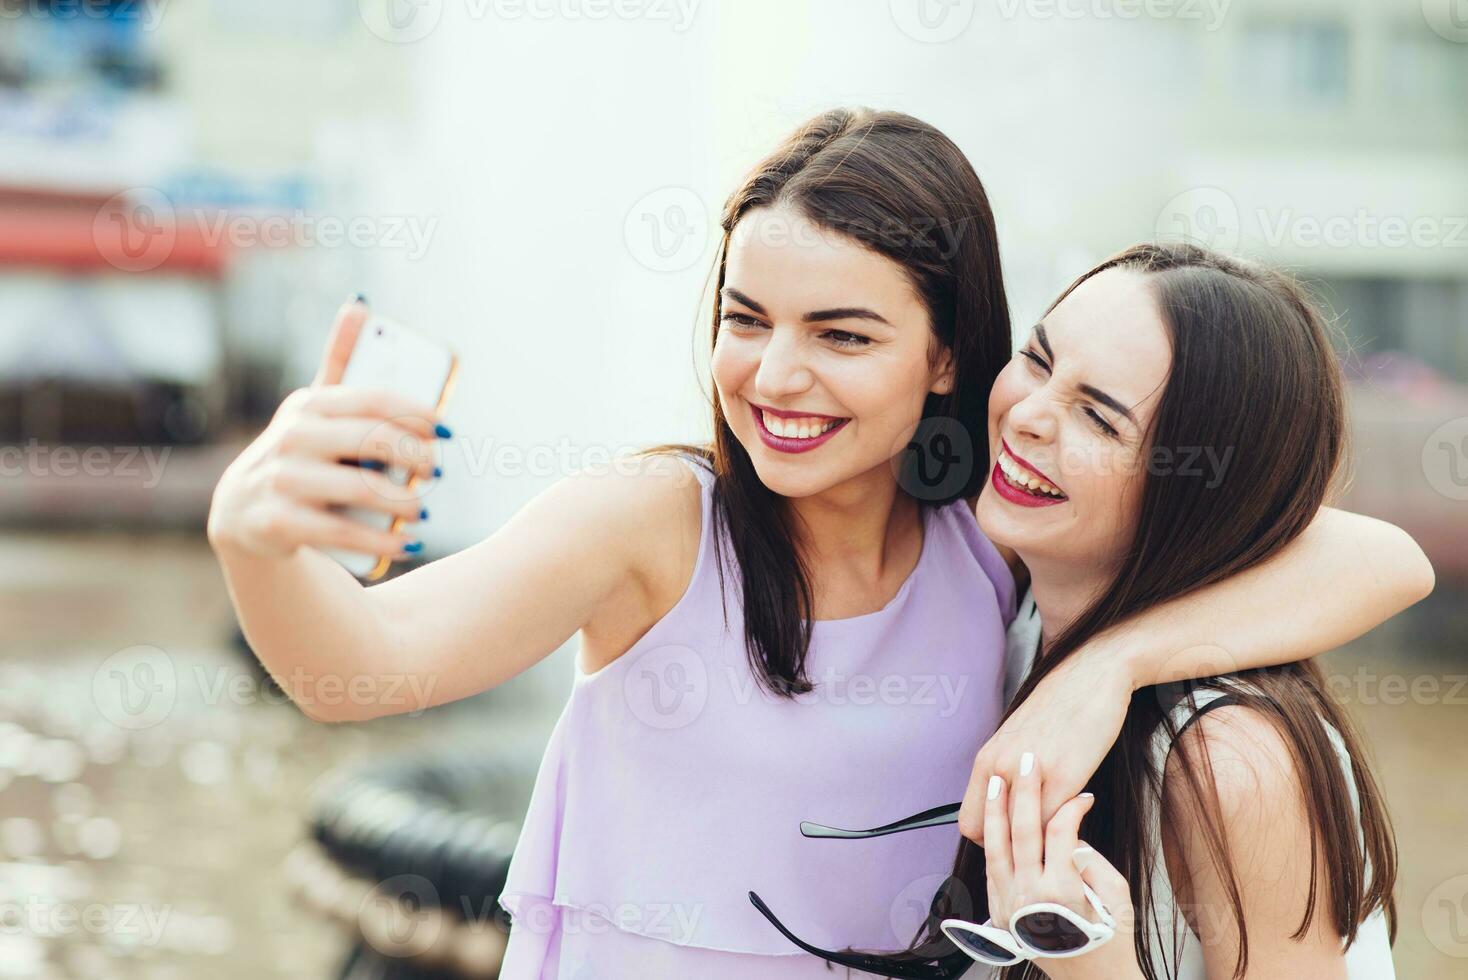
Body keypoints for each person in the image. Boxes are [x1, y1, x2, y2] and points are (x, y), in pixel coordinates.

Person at [205, 110, 1432, 978]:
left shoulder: (991, 541)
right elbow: (355, 664)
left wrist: (1106, 672)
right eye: (746, 318)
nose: (775, 375)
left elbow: (1375, 557)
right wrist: (257, 541)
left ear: (946, 352)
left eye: (842, 334)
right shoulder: (653, 526)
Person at [786, 243, 1414, 979]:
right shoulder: (1011, 596)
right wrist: (1106, 666)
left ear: (1197, 486)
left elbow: (1395, 558)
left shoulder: (1231, 761)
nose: (1026, 416)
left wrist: (1094, 964)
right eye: (1040, 361)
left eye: (1100, 419)